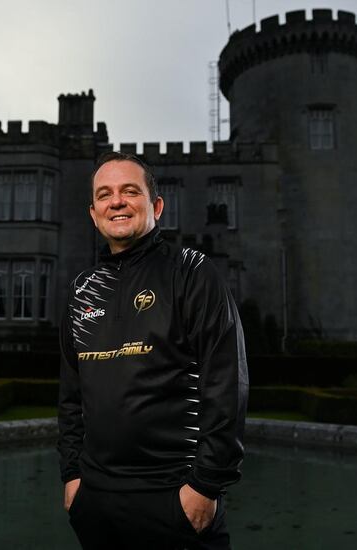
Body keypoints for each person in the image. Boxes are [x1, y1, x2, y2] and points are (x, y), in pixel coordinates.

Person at [58, 151, 249, 549]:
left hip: (174, 496)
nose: (117, 201)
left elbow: (226, 386)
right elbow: (71, 398)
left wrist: (204, 487)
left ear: (156, 206)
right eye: (105, 194)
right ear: (94, 213)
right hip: (96, 501)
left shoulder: (191, 272)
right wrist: (73, 477)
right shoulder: (81, 292)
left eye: (130, 191)